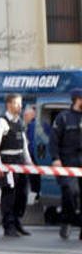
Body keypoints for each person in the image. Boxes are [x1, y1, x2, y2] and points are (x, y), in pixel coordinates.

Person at [0, 93, 33, 238]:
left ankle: (17, 221)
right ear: (9, 104)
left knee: (23, 194)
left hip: (20, 163)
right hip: (8, 163)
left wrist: (29, 162)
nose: (20, 106)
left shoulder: (20, 122)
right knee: (9, 195)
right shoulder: (1, 122)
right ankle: (8, 225)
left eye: (21, 103)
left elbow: (24, 145)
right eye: (17, 103)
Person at [49, 88, 82, 240]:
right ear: (77, 100)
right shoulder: (63, 118)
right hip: (68, 163)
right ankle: (67, 221)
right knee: (70, 192)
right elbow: (54, 140)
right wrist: (56, 158)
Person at [23, 105, 42, 200]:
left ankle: (36, 193)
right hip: (34, 153)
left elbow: (30, 142)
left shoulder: (32, 125)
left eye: (26, 115)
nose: (25, 117)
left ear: (33, 115)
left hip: (33, 154)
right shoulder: (35, 124)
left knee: (33, 176)